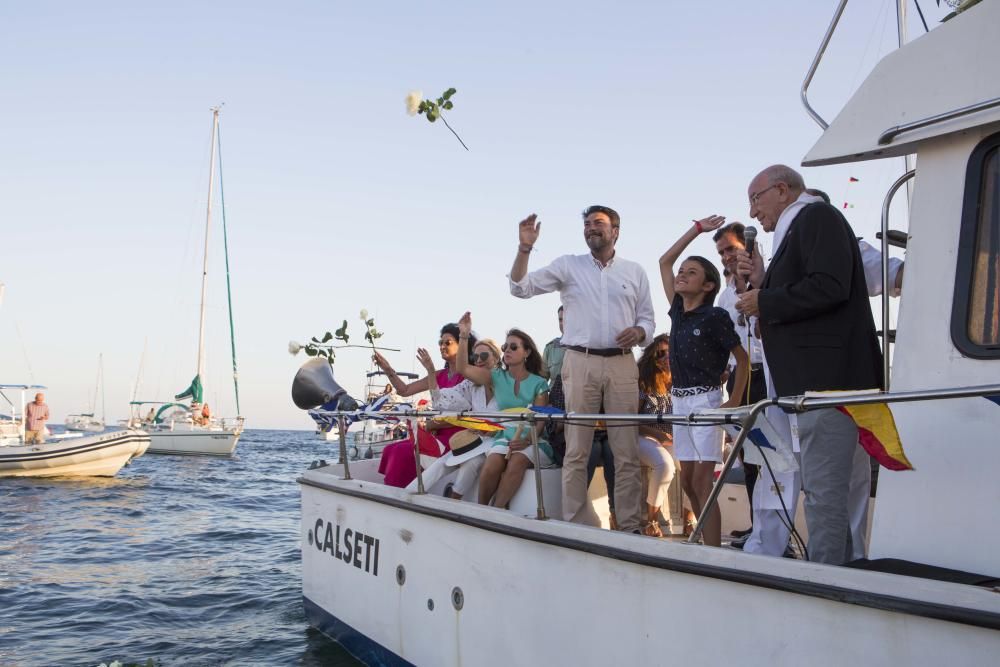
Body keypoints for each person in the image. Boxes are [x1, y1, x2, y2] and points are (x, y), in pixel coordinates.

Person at [736, 164, 883, 565]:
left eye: (755, 199)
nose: (752, 213)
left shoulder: (816, 216)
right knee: (824, 488)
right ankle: (845, 571)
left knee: (823, 491)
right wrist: (765, 283)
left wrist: (764, 300)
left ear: (782, 190)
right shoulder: (801, 227)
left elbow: (829, 286)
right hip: (814, 387)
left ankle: (826, 582)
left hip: (828, 384)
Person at [509, 206, 655, 533]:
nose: (591, 228)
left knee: (626, 451)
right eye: (587, 224)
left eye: (598, 223)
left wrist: (640, 332)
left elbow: (648, 318)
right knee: (577, 449)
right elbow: (520, 288)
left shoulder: (635, 271)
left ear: (615, 231)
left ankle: (630, 527)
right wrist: (525, 248)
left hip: (621, 361)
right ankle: (574, 526)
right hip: (579, 360)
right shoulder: (568, 265)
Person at [659, 219, 749, 547]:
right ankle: (702, 540)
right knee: (687, 484)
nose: (681, 273)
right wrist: (696, 229)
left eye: (692, 272)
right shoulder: (678, 313)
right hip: (680, 401)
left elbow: (742, 359)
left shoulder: (715, 318)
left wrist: (734, 401)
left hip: (707, 400)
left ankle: (713, 553)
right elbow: (664, 262)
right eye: (683, 270)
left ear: (708, 286)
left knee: (701, 482)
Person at [455, 313, 551, 509]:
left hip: (533, 439)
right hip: (504, 436)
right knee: (492, 465)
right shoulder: (497, 376)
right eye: (505, 347)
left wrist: (527, 440)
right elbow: (463, 368)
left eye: (513, 347)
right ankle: (483, 510)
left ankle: (496, 510)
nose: (507, 350)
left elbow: (540, 420)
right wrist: (464, 336)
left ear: (527, 353)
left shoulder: (539, 383)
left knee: (518, 459)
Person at [713, 222, 768, 541]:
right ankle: (756, 526)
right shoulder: (723, 297)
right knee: (747, 455)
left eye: (731, 249)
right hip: (739, 377)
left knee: (772, 453)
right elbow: (724, 344)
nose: (725, 257)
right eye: (721, 252)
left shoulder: (766, 278)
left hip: (769, 372)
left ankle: (777, 531)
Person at [374, 323, 478, 488]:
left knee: (402, 452)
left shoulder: (472, 375)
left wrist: (431, 424)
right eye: (440, 343)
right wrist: (388, 369)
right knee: (390, 449)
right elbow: (405, 390)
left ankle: (398, 495)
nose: (442, 346)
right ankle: (394, 492)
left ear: (462, 345)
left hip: (458, 438)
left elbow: (471, 411)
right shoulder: (439, 375)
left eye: (448, 342)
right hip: (437, 435)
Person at [405, 338, 503, 499]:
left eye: (483, 356)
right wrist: (431, 371)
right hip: (476, 440)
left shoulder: (506, 382)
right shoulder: (471, 385)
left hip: (498, 439)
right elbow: (441, 402)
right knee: (442, 463)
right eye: (475, 357)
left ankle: (454, 501)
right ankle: (406, 495)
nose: (478, 361)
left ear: (496, 358)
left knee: (472, 463)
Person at [635, 334, 679, 537]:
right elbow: (631, 420)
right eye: (660, 353)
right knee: (666, 465)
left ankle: (690, 520)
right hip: (642, 435)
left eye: (670, 353)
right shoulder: (643, 382)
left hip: (671, 438)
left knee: (693, 463)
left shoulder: (681, 381)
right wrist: (658, 435)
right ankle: (651, 520)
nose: (665, 358)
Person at [541, 305, 566, 386]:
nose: (563, 323)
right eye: (560, 320)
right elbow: (541, 380)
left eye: (567, 319)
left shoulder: (586, 347)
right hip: (555, 397)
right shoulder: (550, 347)